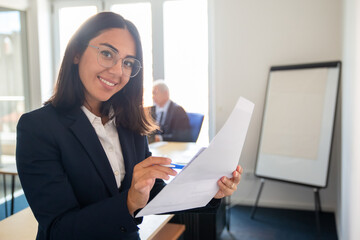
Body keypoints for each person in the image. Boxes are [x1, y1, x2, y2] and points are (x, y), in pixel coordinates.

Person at [16, 12, 243, 240]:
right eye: (107, 53)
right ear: (76, 52)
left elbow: (151, 193)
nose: (117, 71)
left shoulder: (129, 122)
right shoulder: (38, 128)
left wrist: (211, 191)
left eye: (127, 62)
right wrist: (129, 202)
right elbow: (58, 228)